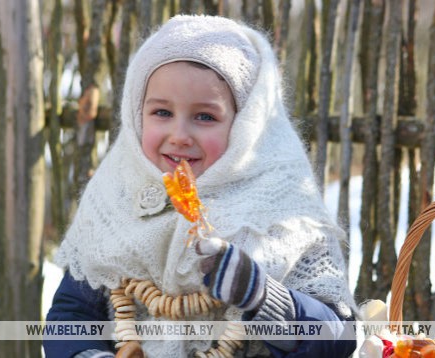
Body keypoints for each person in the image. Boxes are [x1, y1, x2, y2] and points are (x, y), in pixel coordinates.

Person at [44, 14, 357, 358]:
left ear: (246, 126)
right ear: (136, 113)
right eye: (162, 112)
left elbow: (337, 338)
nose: (179, 136)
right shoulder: (114, 197)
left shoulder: (288, 212)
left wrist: (261, 295)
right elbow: (71, 314)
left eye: (205, 117)